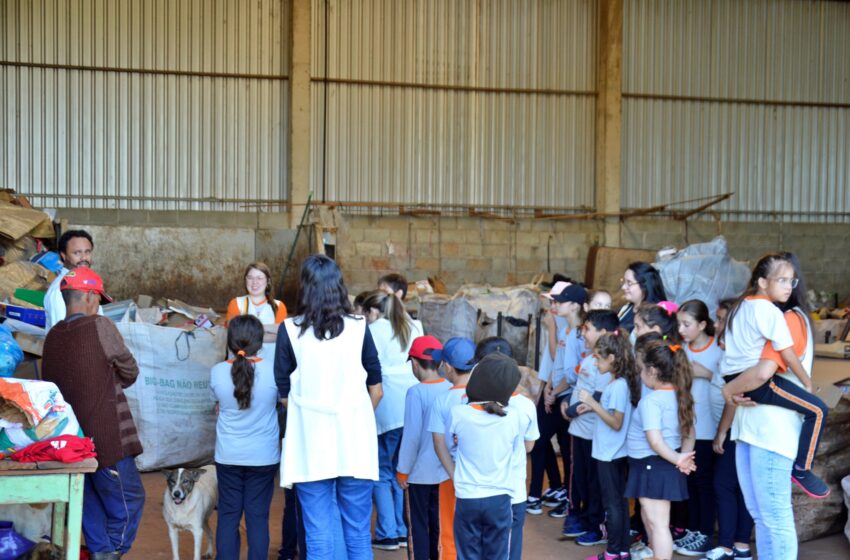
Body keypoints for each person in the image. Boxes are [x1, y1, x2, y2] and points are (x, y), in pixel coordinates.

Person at [275, 255, 383, 560]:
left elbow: (284, 395)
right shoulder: (360, 327)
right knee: (358, 533)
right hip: (355, 446)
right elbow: (376, 388)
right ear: (339, 286)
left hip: (311, 448)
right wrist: (357, 417)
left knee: (319, 534)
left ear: (304, 288)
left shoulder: (289, 331)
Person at [41, 268, 144, 560]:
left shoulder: (52, 338)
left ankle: (101, 551)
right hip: (107, 441)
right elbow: (130, 370)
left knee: (90, 502)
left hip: (70, 445)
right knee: (130, 500)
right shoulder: (100, 326)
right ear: (87, 296)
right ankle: (110, 553)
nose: (98, 304)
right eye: (98, 298)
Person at [722, 252, 820, 558]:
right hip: (752, 425)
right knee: (762, 515)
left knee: (773, 516)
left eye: (790, 280)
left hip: (771, 429)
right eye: (782, 279)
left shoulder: (788, 319)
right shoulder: (759, 311)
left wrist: (728, 389)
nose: (787, 285)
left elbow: (763, 372)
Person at [449, 353, 531, 560]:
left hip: (467, 496)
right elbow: (516, 451)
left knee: (467, 554)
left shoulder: (457, 413)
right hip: (500, 498)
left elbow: (451, 447)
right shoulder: (513, 417)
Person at [210, 315, 280, 560]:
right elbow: (282, 403)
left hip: (228, 455)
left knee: (228, 515)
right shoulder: (274, 371)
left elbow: (218, 403)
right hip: (263, 457)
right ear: (260, 342)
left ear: (230, 341)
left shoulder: (218, 372)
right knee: (257, 517)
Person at [360, 290, 424, 550]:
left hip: (385, 407)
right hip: (411, 406)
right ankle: (400, 528)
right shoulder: (414, 327)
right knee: (401, 471)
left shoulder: (375, 330)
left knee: (380, 471)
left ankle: (387, 531)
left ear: (375, 311)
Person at [627, 335, 696, 560]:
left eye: (642, 369)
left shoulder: (653, 401)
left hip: (652, 464)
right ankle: (655, 554)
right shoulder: (680, 396)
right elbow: (689, 433)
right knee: (652, 518)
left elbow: (655, 441)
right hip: (657, 464)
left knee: (658, 524)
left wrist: (679, 460)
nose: (640, 374)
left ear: (653, 371)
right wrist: (683, 457)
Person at [474, 337, 540, 560]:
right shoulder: (526, 405)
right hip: (512, 491)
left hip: (477, 491)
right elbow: (529, 446)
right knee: (510, 550)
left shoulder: (468, 403)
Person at [576, 328, 637, 560]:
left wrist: (593, 402)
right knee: (618, 502)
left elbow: (616, 422)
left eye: (598, 357)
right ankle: (622, 549)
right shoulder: (617, 383)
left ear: (612, 358)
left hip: (610, 453)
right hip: (613, 451)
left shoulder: (618, 385)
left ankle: (613, 551)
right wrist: (592, 406)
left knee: (613, 504)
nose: (594, 360)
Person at [560, 310, 619, 545]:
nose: (582, 332)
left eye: (587, 328)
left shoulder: (608, 363)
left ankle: (596, 525)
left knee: (596, 483)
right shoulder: (588, 358)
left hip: (596, 432)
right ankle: (578, 515)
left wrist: (571, 411)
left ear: (603, 333)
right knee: (579, 478)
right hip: (578, 430)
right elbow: (578, 387)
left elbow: (598, 396)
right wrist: (567, 403)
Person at [674, 300, 723, 556]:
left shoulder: (717, 351)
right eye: (679, 323)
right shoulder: (682, 349)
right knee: (689, 481)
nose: (682, 329)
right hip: (686, 427)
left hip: (708, 428)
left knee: (703, 481)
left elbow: (728, 386)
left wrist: (708, 374)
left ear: (703, 324)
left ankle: (705, 532)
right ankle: (693, 529)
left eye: (687, 324)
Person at [396, 335, 449, 560]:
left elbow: (411, 437)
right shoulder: (450, 388)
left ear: (415, 364)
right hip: (445, 473)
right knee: (439, 526)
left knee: (417, 526)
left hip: (419, 474)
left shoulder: (416, 393)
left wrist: (402, 470)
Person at [539, 282, 588, 518]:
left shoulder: (581, 334)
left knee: (572, 454)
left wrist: (555, 390)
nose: (554, 305)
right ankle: (570, 498)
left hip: (571, 396)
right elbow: (558, 364)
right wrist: (549, 386)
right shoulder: (566, 330)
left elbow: (574, 374)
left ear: (576, 305)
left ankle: (573, 501)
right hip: (559, 392)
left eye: (559, 301)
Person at [427, 336, 477, 560]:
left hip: (450, 475)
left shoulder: (442, 400)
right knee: (476, 534)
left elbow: (439, 443)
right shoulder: (487, 396)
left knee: (449, 533)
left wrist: (453, 475)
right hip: (481, 473)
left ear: (447, 367)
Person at [44, 229, 100, 331]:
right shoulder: (60, 290)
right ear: (63, 255)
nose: (84, 258)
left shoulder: (88, 283)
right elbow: (63, 334)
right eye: (77, 253)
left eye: (87, 252)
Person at [225, 262, 287, 346]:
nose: (254, 282)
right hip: (243, 358)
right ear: (245, 280)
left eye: (259, 278)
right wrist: (270, 329)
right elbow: (235, 333)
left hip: (270, 358)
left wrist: (248, 331)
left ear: (268, 281)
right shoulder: (235, 303)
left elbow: (282, 334)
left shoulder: (279, 306)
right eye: (250, 278)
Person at [617, 262, 666, 333]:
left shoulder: (655, 315)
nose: (623, 287)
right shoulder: (626, 307)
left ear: (645, 286)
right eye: (624, 282)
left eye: (629, 283)